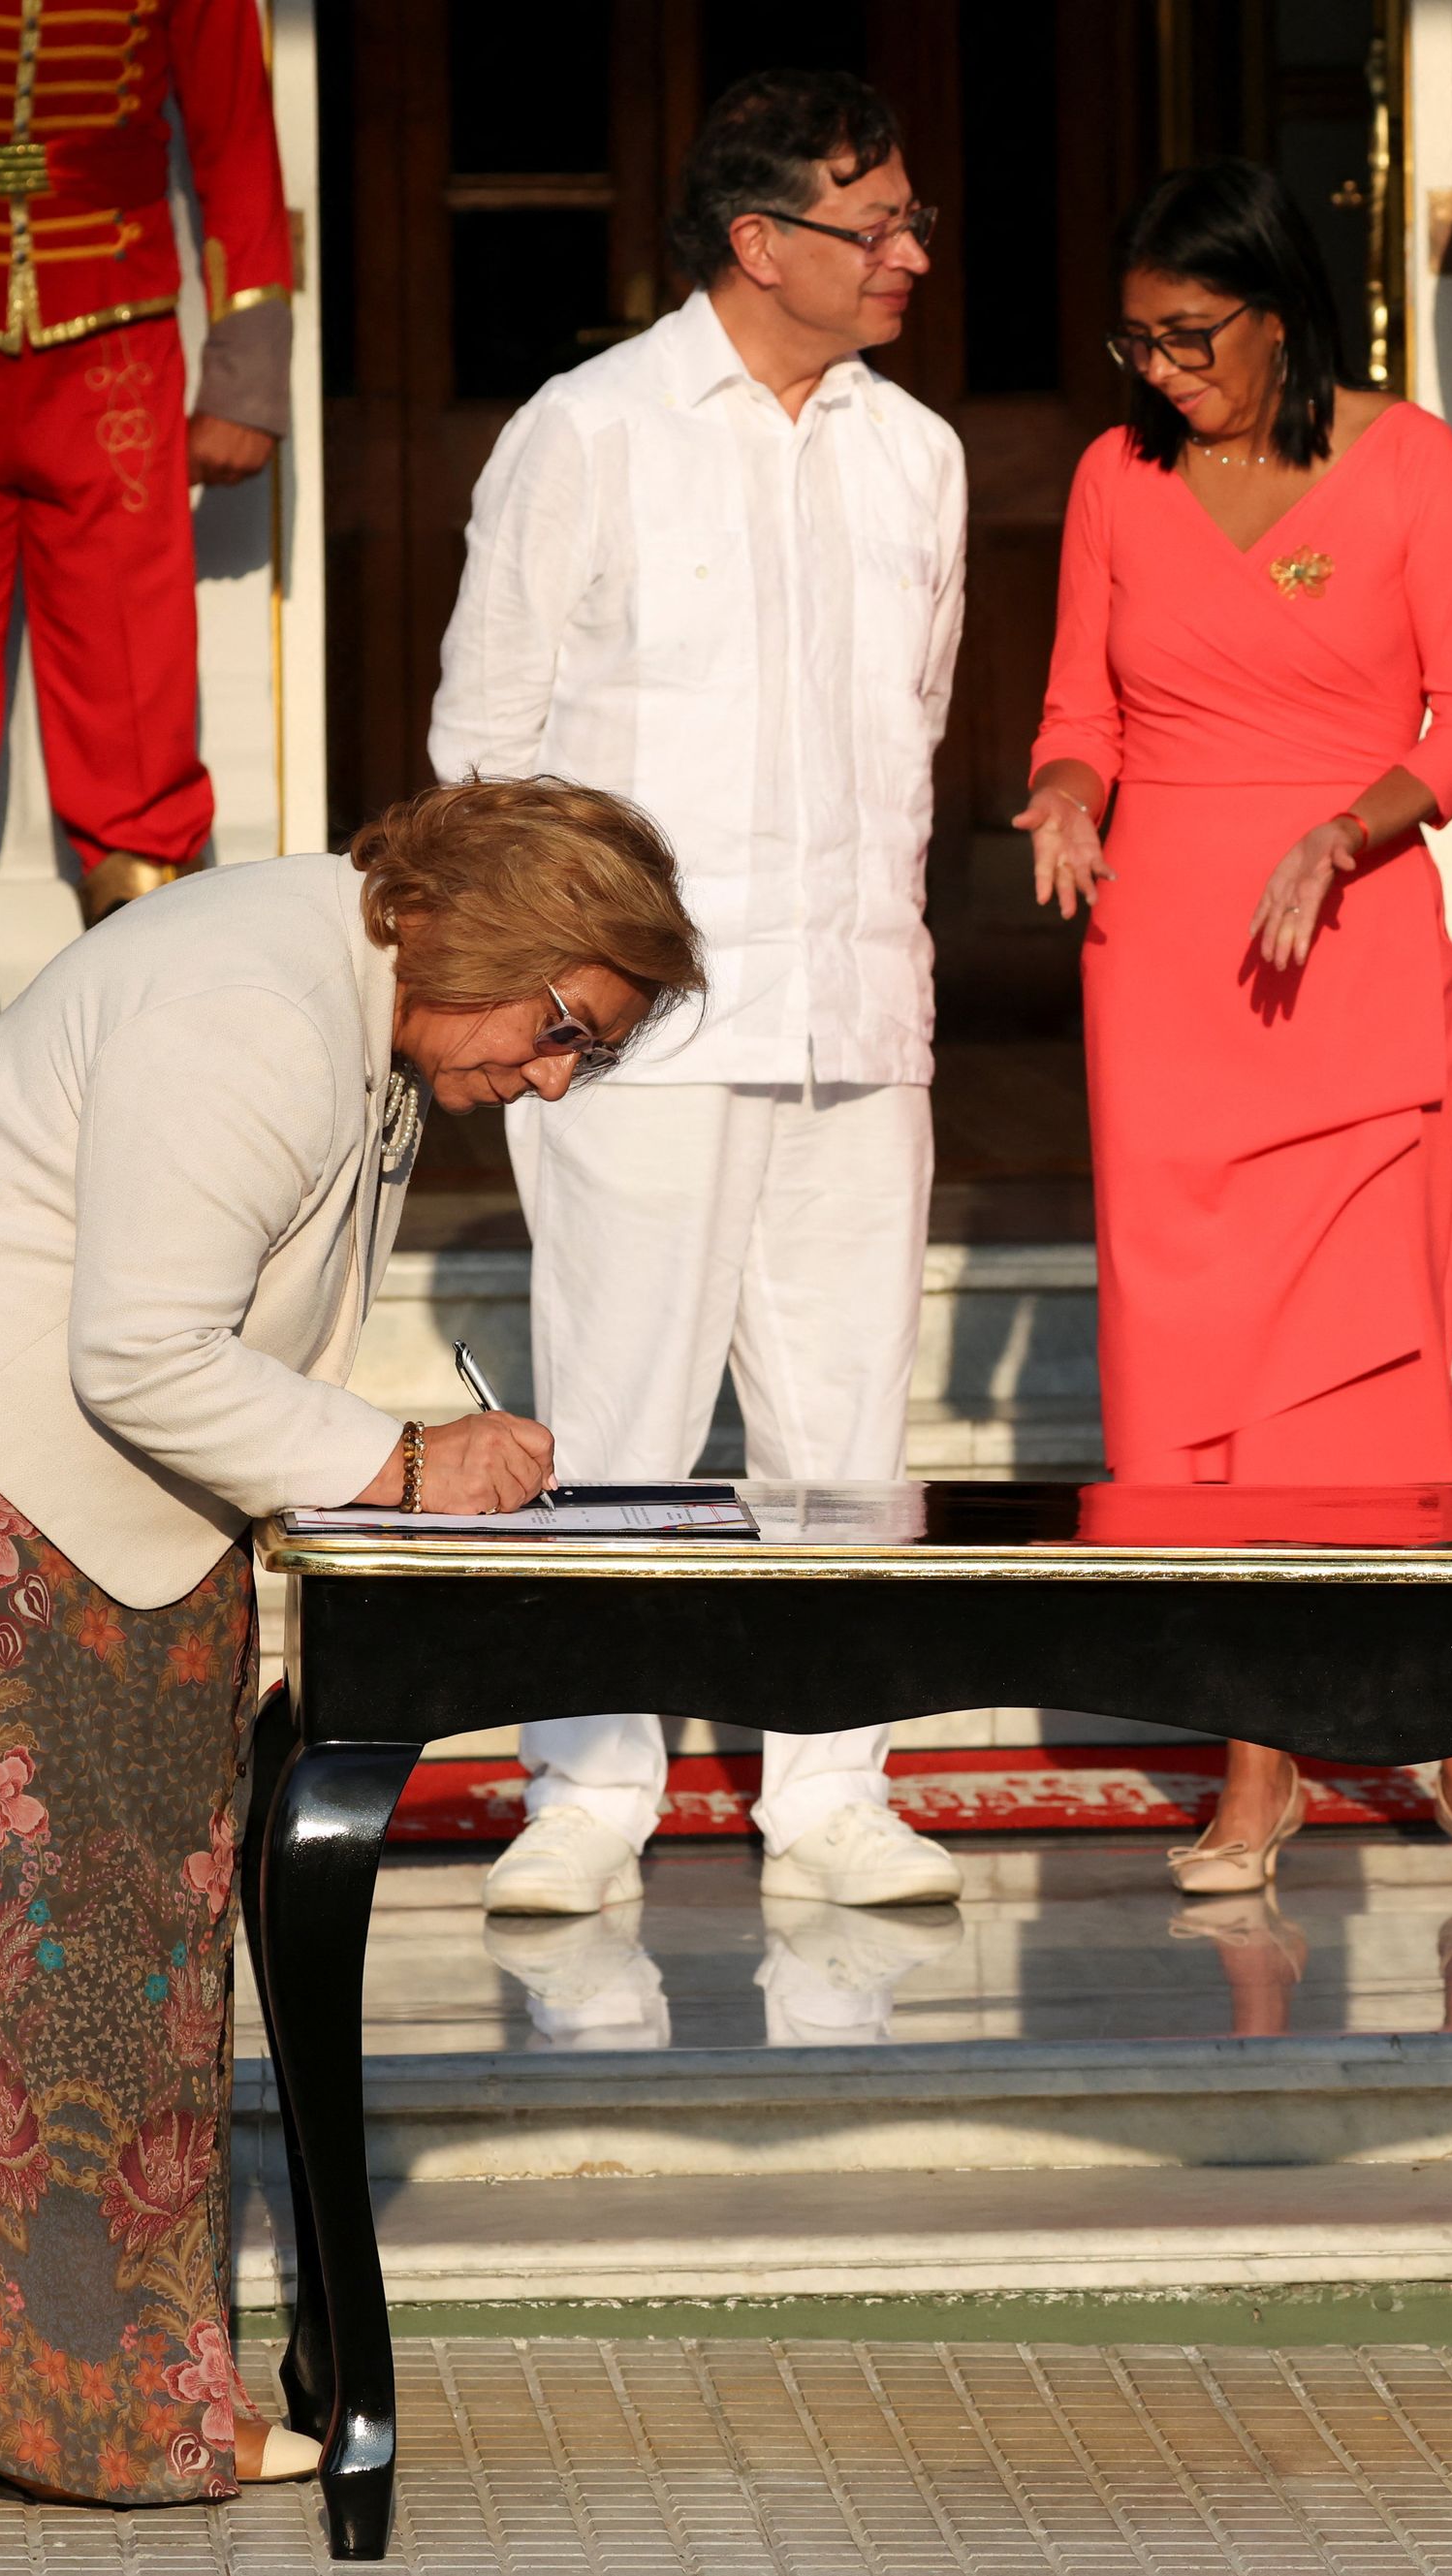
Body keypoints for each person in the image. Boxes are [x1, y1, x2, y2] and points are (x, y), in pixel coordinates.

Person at [0, 779, 701, 2503]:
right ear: (503, 939)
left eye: (586, 1058)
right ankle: (48, 2406)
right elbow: (142, 1352)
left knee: (48, 1925)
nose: (550, 1082)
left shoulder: (350, 988)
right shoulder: (257, 1006)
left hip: (8, 1421)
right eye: (566, 1032)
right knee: (29, 1930)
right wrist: (399, 1459)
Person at [433, 70, 968, 1929]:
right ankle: (584, 1786)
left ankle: (832, 1785)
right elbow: (483, 746)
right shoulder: (588, 430)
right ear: (761, 243)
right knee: (621, 1408)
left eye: (909, 220)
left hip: (852, 1019)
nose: (910, 252)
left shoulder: (919, 453)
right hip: (639, 1034)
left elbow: (916, 727)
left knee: (843, 1428)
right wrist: (539, 1013)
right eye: (873, 224)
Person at [1019, 162, 1452, 1897]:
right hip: (1169, 961)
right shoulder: (1116, 479)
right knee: (1199, 1387)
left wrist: (1354, 826)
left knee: (1379, 1365)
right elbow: (1076, 704)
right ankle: (1255, 1769)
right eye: (1139, 340)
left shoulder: (1405, 460)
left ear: (1280, 317)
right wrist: (1061, 795)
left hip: (1352, 931)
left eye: (1193, 337)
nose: (1163, 370)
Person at [0, 0, 293, 923]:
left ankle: (153, 1012)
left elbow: (234, 133)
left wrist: (246, 377)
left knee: (134, 725)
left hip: (111, 353)